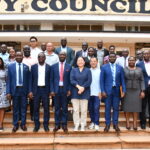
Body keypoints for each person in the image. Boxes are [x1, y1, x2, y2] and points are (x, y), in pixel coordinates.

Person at [100, 53, 126, 132]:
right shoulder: (104, 67)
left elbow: (122, 80)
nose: (112, 58)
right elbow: (101, 81)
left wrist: (124, 90)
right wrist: (102, 91)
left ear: (115, 58)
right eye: (110, 57)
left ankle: (115, 124)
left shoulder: (120, 68)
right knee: (107, 108)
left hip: (117, 91)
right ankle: (107, 124)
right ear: (108, 58)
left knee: (116, 108)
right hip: (107, 92)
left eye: (113, 57)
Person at [6, 51, 30, 132]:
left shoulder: (26, 67)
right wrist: (8, 92)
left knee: (24, 108)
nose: (19, 57)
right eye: (17, 55)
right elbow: (8, 80)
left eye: (20, 55)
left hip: (24, 90)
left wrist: (29, 91)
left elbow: (29, 81)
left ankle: (23, 124)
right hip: (15, 90)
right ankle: (15, 125)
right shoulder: (10, 66)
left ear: (23, 57)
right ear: (15, 56)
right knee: (15, 108)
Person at [29, 52, 50, 132]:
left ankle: (45, 125)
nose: (41, 58)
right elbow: (31, 80)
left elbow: (50, 80)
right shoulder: (33, 67)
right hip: (36, 90)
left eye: (42, 57)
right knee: (35, 108)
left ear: (45, 58)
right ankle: (36, 125)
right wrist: (30, 91)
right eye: (39, 57)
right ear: (37, 58)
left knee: (46, 109)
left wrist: (51, 90)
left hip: (45, 90)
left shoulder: (49, 67)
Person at [50, 52, 71, 133]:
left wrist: (69, 89)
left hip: (65, 90)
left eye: (63, 55)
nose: (62, 56)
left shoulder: (69, 66)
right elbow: (51, 79)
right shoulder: (53, 66)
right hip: (56, 90)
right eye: (61, 55)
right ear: (58, 56)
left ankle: (64, 124)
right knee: (57, 108)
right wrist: (52, 90)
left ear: (65, 56)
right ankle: (57, 124)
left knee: (65, 108)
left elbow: (70, 80)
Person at [70, 57, 92, 131]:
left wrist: (82, 88)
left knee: (84, 110)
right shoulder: (73, 70)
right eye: (78, 60)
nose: (80, 62)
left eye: (81, 60)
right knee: (76, 110)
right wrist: (79, 87)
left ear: (84, 62)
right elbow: (72, 80)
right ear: (76, 62)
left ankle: (83, 124)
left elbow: (89, 81)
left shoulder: (88, 70)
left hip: (85, 92)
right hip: (75, 92)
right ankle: (76, 124)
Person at [123, 56, 145, 130]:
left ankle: (135, 123)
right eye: (130, 60)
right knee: (127, 107)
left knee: (136, 108)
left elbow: (142, 80)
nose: (131, 61)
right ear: (128, 61)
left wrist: (142, 91)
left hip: (137, 90)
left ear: (135, 61)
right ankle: (127, 122)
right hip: (127, 90)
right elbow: (122, 80)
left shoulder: (139, 69)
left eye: (133, 60)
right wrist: (122, 90)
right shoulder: (124, 69)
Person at [136, 50, 150, 129]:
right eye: (145, 53)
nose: (146, 55)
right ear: (143, 55)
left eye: (148, 53)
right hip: (143, 87)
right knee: (143, 106)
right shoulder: (139, 64)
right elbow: (138, 78)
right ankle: (143, 123)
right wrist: (141, 90)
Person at [22, 45, 37, 121]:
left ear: (30, 51)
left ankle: (32, 115)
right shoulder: (21, 59)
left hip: (32, 81)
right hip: (23, 81)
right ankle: (21, 115)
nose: (27, 51)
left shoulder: (34, 60)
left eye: (28, 49)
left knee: (32, 99)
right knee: (23, 99)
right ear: (23, 51)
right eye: (25, 49)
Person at [88, 57, 101, 131]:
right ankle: (92, 122)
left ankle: (96, 123)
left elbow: (101, 82)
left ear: (97, 62)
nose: (93, 62)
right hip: (89, 93)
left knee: (96, 108)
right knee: (90, 109)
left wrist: (100, 91)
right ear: (90, 63)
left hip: (97, 93)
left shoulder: (100, 71)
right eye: (91, 61)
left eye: (94, 61)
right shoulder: (88, 71)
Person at [0, 57, 10, 131]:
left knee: (2, 108)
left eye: (0, 61)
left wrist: (8, 91)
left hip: (3, 90)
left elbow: (8, 81)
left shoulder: (5, 70)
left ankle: (0, 124)